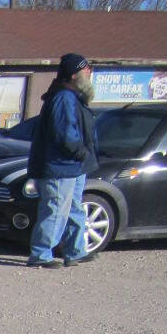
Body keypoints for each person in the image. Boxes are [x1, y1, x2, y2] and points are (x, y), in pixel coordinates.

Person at [27, 54, 99, 268]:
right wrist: (81, 152)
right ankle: (41, 254)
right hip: (60, 166)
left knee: (74, 208)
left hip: (73, 167)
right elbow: (64, 135)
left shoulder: (74, 97)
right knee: (56, 209)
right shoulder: (63, 98)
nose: (89, 74)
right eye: (86, 70)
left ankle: (75, 250)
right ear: (73, 75)